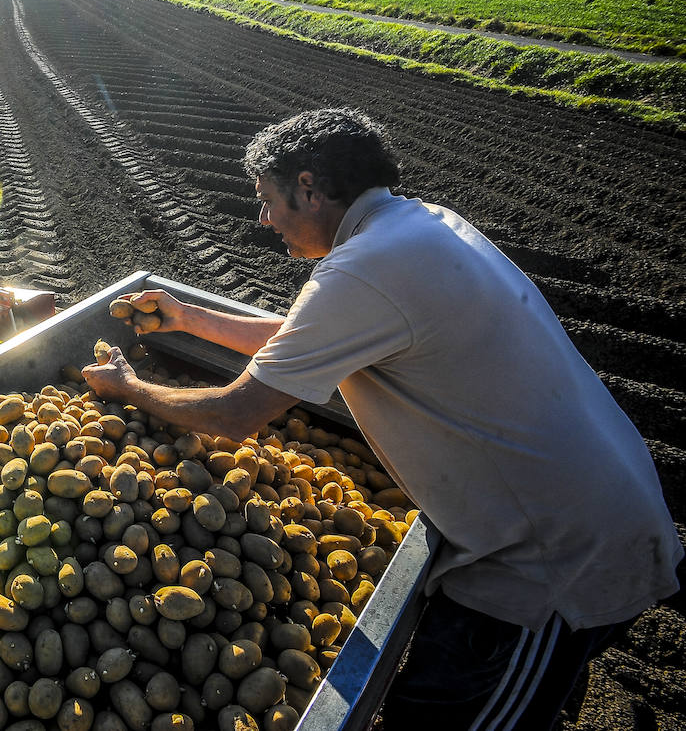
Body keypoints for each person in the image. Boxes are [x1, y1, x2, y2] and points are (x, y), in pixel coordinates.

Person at [83, 108, 681, 730]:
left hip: (552, 560)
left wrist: (131, 388)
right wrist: (187, 319)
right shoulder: (417, 228)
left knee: (445, 716)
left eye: (267, 200)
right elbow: (304, 337)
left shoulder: (362, 269)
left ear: (309, 187)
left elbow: (236, 414)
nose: (263, 220)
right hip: (571, 506)